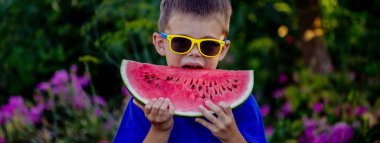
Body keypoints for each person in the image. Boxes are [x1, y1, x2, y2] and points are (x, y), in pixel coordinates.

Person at [113, 0, 267, 142]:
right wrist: (159, 130)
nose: (194, 52)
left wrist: (232, 137)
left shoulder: (243, 105)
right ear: (160, 44)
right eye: (181, 42)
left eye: (208, 45)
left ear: (222, 50)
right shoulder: (143, 105)